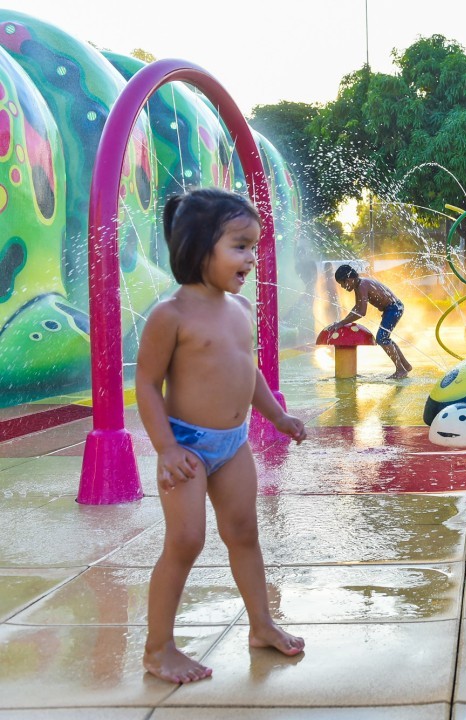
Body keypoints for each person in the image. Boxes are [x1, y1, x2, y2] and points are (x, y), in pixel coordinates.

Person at [136, 188, 307, 684]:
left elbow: (246, 371)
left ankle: (261, 625)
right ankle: (158, 648)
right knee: (186, 541)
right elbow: (146, 384)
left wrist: (276, 416)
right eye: (240, 245)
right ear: (198, 245)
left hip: (232, 445)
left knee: (244, 534)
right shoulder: (171, 315)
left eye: (253, 246)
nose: (252, 257)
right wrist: (166, 447)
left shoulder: (241, 309)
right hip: (185, 446)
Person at [330, 264, 412, 379]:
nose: (342, 287)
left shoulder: (362, 285)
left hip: (394, 308)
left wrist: (342, 323)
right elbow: (357, 307)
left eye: (342, 284)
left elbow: (362, 312)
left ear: (348, 280)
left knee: (382, 338)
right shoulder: (358, 285)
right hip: (393, 308)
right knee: (385, 338)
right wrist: (343, 321)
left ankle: (400, 370)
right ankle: (405, 365)